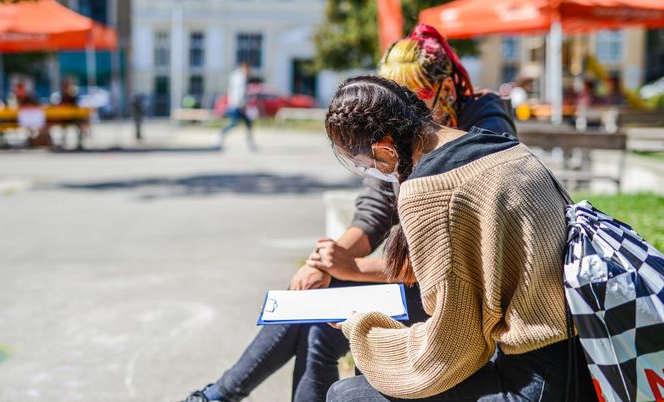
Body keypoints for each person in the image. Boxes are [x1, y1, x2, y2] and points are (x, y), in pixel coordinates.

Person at [181, 24, 516, 402]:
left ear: (448, 91)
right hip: (420, 280)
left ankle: (216, 397)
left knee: (322, 325)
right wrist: (326, 262)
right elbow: (374, 211)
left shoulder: (480, 129)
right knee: (316, 306)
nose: (405, 114)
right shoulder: (402, 130)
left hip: (458, 301)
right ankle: (216, 396)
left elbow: (450, 254)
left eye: (414, 100)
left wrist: (351, 268)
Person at [322, 75, 598, 401]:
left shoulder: (429, 190)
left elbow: (453, 348)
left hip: (536, 386)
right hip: (583, 362)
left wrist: (364, 330)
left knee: (345, 394)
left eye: (366, 164)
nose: (375, 173)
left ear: (384, 149)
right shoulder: (505, 149)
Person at [214, 62, 256, 151]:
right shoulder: (240, 78)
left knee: (247, 123)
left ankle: (250, 143)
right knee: (234, 123)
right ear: (244, 68)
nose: (249, 71)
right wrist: (242, 105)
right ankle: (219, 137)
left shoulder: (236, 76)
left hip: (236, 104)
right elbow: (239, 93)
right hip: (237, 105)